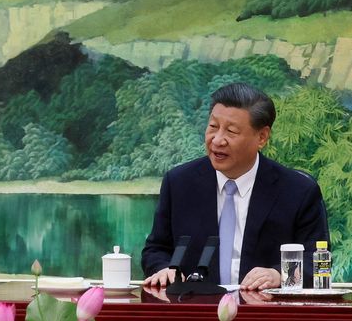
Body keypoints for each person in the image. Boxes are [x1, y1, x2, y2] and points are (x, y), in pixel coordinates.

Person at [141, 82, 329, 291]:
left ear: (262, 137)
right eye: (213, 127)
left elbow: (317, 263)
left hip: (265, 316)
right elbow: (156, 250)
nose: (217, 140)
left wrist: (279, 275)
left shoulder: (298, 191)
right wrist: (164, 268)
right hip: (195, 314)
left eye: (231, 131)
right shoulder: (179, 183)